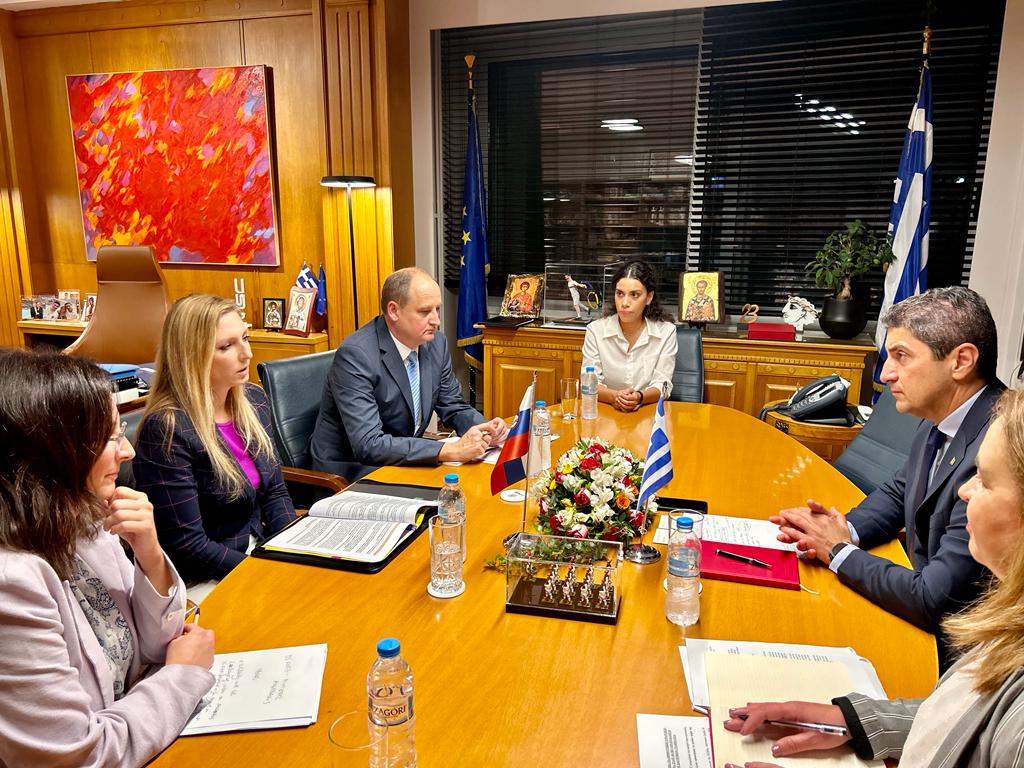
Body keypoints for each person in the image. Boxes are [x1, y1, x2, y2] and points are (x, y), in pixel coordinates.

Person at [723, 387, 1024, 767]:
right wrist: (855, 721)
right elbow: (969, 718)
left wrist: (837, 549)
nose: (964, 490)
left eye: (985, 479)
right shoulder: (1008, 628)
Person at [0, 349, 215, 767]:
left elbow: (152, 650)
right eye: (111, 437)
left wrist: (149, 554)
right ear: (52, 451)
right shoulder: (11, 581)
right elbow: (81, 757)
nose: (128, 450)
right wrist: (183, 676)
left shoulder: (81, 517)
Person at [772, 287, 1003, 664]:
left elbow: (933, 600)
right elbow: (901, 489)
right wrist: (844, 529)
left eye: (902, 356)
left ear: (961, 361)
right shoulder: (944, 414)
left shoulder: (999, 450)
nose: (885, 373)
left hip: (959, 658)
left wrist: (837, 550)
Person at [133, 294, 296, 592]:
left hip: (261, 552)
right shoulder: (167, 430)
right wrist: (265, 570)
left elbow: (275, 492)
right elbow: (188, 545)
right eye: (226, 346)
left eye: (245, 338)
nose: (246, 353)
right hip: (206, 577)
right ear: (192, 356)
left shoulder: (253, 400)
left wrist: (292, 549)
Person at [311, 267, 509, 480]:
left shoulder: (435, 344)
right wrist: (450, 450)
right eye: (425, 312)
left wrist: (484, 430)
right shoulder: (356, 356)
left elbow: (453, 406)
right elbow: (369, 444)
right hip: (349, 471)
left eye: (437, 310)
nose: (436, 321)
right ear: (394, 311)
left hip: (400, 460)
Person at [581, 260, 678, 412]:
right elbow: (589, 383)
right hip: (606, 413)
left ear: (649, 297)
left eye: (635, 295)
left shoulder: (666, 332)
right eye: (620, 294)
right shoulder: (595, 331)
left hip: (648, 413)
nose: (625, 303)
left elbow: (663, 385)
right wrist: (616, 397)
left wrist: (639, 397)